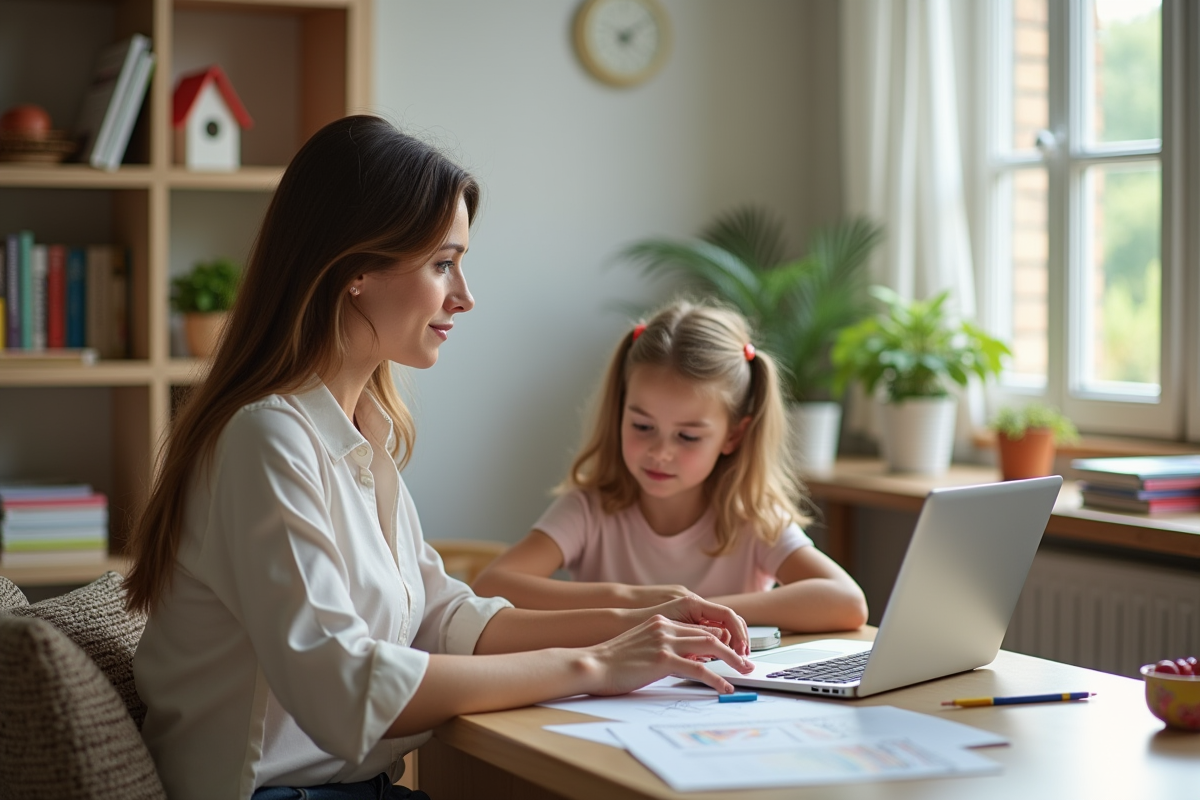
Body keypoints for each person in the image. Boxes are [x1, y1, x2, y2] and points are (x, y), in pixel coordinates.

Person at [124, 116, 754, 800]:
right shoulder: (267, 440)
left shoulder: (361, 431)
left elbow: (444, 618)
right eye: (442, 263)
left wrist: (642, 622)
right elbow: (347, 692)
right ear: (356, 269)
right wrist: (596, 664)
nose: (465, 295)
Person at [472, 300, 868, 633]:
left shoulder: (751, 516)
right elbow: (492, 585)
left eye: (688, 436)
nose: (660, 452)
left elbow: (847, 603)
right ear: (620, 411)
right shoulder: (590, 509)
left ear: (733, 436)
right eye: (643, 426)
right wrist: (636, 603)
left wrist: (697, 610)